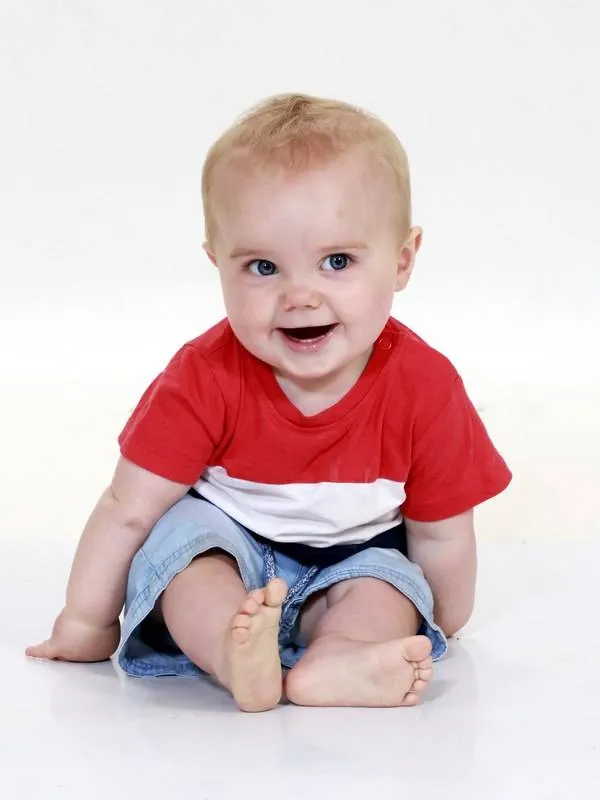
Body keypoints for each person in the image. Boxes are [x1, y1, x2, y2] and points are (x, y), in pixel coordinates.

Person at [27, 93, 512, 712]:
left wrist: (437, 618)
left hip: (356, 557)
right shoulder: (203, 376)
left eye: (336, 261)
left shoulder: (426, 386)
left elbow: (441, 536)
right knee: (184, 561)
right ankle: (233, 653)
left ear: (402, 261)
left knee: (384, 589)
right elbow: (128, 508)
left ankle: (338, 659)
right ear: (216, 265)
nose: (299, 296)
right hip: (231, 545)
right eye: (262, 267)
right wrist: (84, 624)